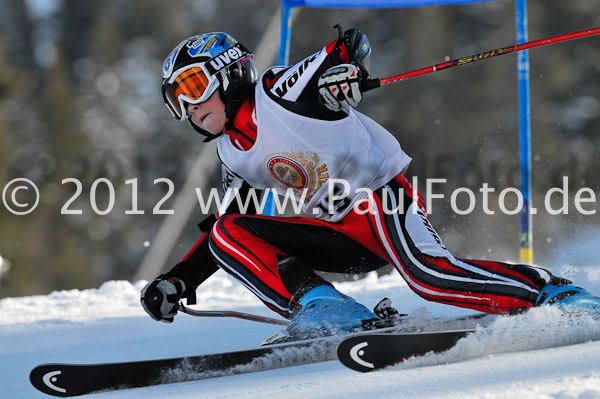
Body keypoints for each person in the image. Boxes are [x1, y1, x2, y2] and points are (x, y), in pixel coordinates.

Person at [141, 29, 599, 339]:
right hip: (339, 234)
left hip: (382, 202)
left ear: (230, 71)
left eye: (194, 87)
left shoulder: (279, 90)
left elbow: (345, 49)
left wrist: (343, 75)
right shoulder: (232, 151)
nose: (190, 107)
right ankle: (327, 312)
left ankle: (556, 293)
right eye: (176, 100)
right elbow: (231, 230)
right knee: (228, 231)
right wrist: (179, 280)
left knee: (432, 278)